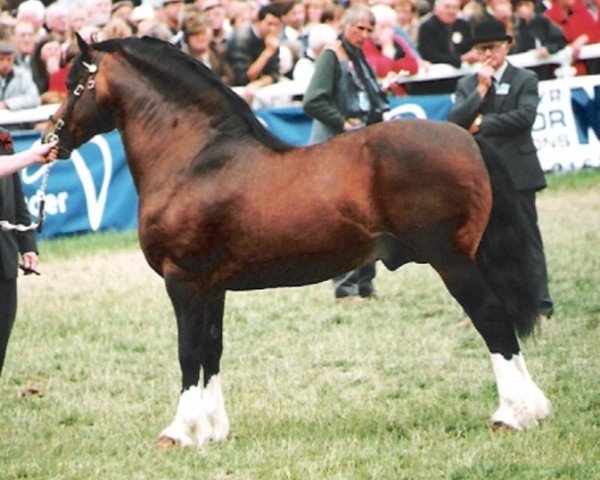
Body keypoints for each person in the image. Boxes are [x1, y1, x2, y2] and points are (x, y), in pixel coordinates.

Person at [447, 19, 553, 324]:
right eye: (481, 49)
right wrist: (480, 91)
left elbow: (525, 116)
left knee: (527, 238)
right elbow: (456, 121)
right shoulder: (468, 84)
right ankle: (484, 306)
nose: (487, 54)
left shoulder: (525, 79)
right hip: (479, 174)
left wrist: (482, 124)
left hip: (518, 170)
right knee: (481, 242)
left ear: (506, 46)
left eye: (492, 47)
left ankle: (539, 304)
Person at [303, 4, 391, 302]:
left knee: (371, 217)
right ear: (345, 25)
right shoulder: (332, 55)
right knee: (347, 221)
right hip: (336, 149)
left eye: (369, 30)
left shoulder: (358, 56)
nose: (364, 34)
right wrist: (343, 122)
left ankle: (365, 284)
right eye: (359, 28)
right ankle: (345, 288)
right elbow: (313, 101)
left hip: (360, 147)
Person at [0, 131, 58, 378]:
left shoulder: (2, 139)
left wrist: (27, 244)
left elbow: (16, 194)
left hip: (3, 255)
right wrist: (32, 155)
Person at [414, 0, 478, 94]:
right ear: (436, 9)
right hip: (435, 84)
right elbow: (429, 54)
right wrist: (459, 59)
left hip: (462, 79)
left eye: (455, 7)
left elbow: (469, 47)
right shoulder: (427, 27)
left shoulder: (463, 25)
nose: (451, 11)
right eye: (447, 7)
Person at [226, 4, 284, 90]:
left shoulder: (272, 40)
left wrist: (260, 83)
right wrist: (267, 52)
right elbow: (244, 78)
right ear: (258, 21)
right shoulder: (242, 38)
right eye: (269, 24)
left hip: (259, 87)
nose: (272, 29)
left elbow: (274, 74)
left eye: (276, 25)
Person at [513, 0, 567, 80]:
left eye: (527, 5)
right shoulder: (516, 27)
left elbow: (560, 40)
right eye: (520, 6)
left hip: (546, 69)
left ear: (532, 6)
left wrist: (548, 49)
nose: (523, 9)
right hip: (527, 72)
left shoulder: (543, 21)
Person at [0, 40, 40, 111]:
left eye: (9, 60)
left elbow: (34, 98)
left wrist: (7, 104)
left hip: (16, 119)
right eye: (1, 59)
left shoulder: (23, 75)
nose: (5, 64)